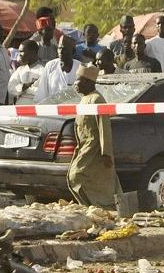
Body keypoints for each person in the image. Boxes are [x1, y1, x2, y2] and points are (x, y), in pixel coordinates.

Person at [67, 64, 121, 209]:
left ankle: (99, 206)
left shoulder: (97, 99)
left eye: (78, 80)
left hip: (95, 148)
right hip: (84, 147)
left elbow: (104, 127)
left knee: (77, 175)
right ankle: (89, 207)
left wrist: (106, 153)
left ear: (88, 82)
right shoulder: (85, 99)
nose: (75, 84)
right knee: (75, 177)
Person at [36, 36, 81, 101]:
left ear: (73, 51)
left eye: (64, 49)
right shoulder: (50, 65)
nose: (61, 51)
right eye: (59, 48)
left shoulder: (80, 67)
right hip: (53, 108)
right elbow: (42, 91)